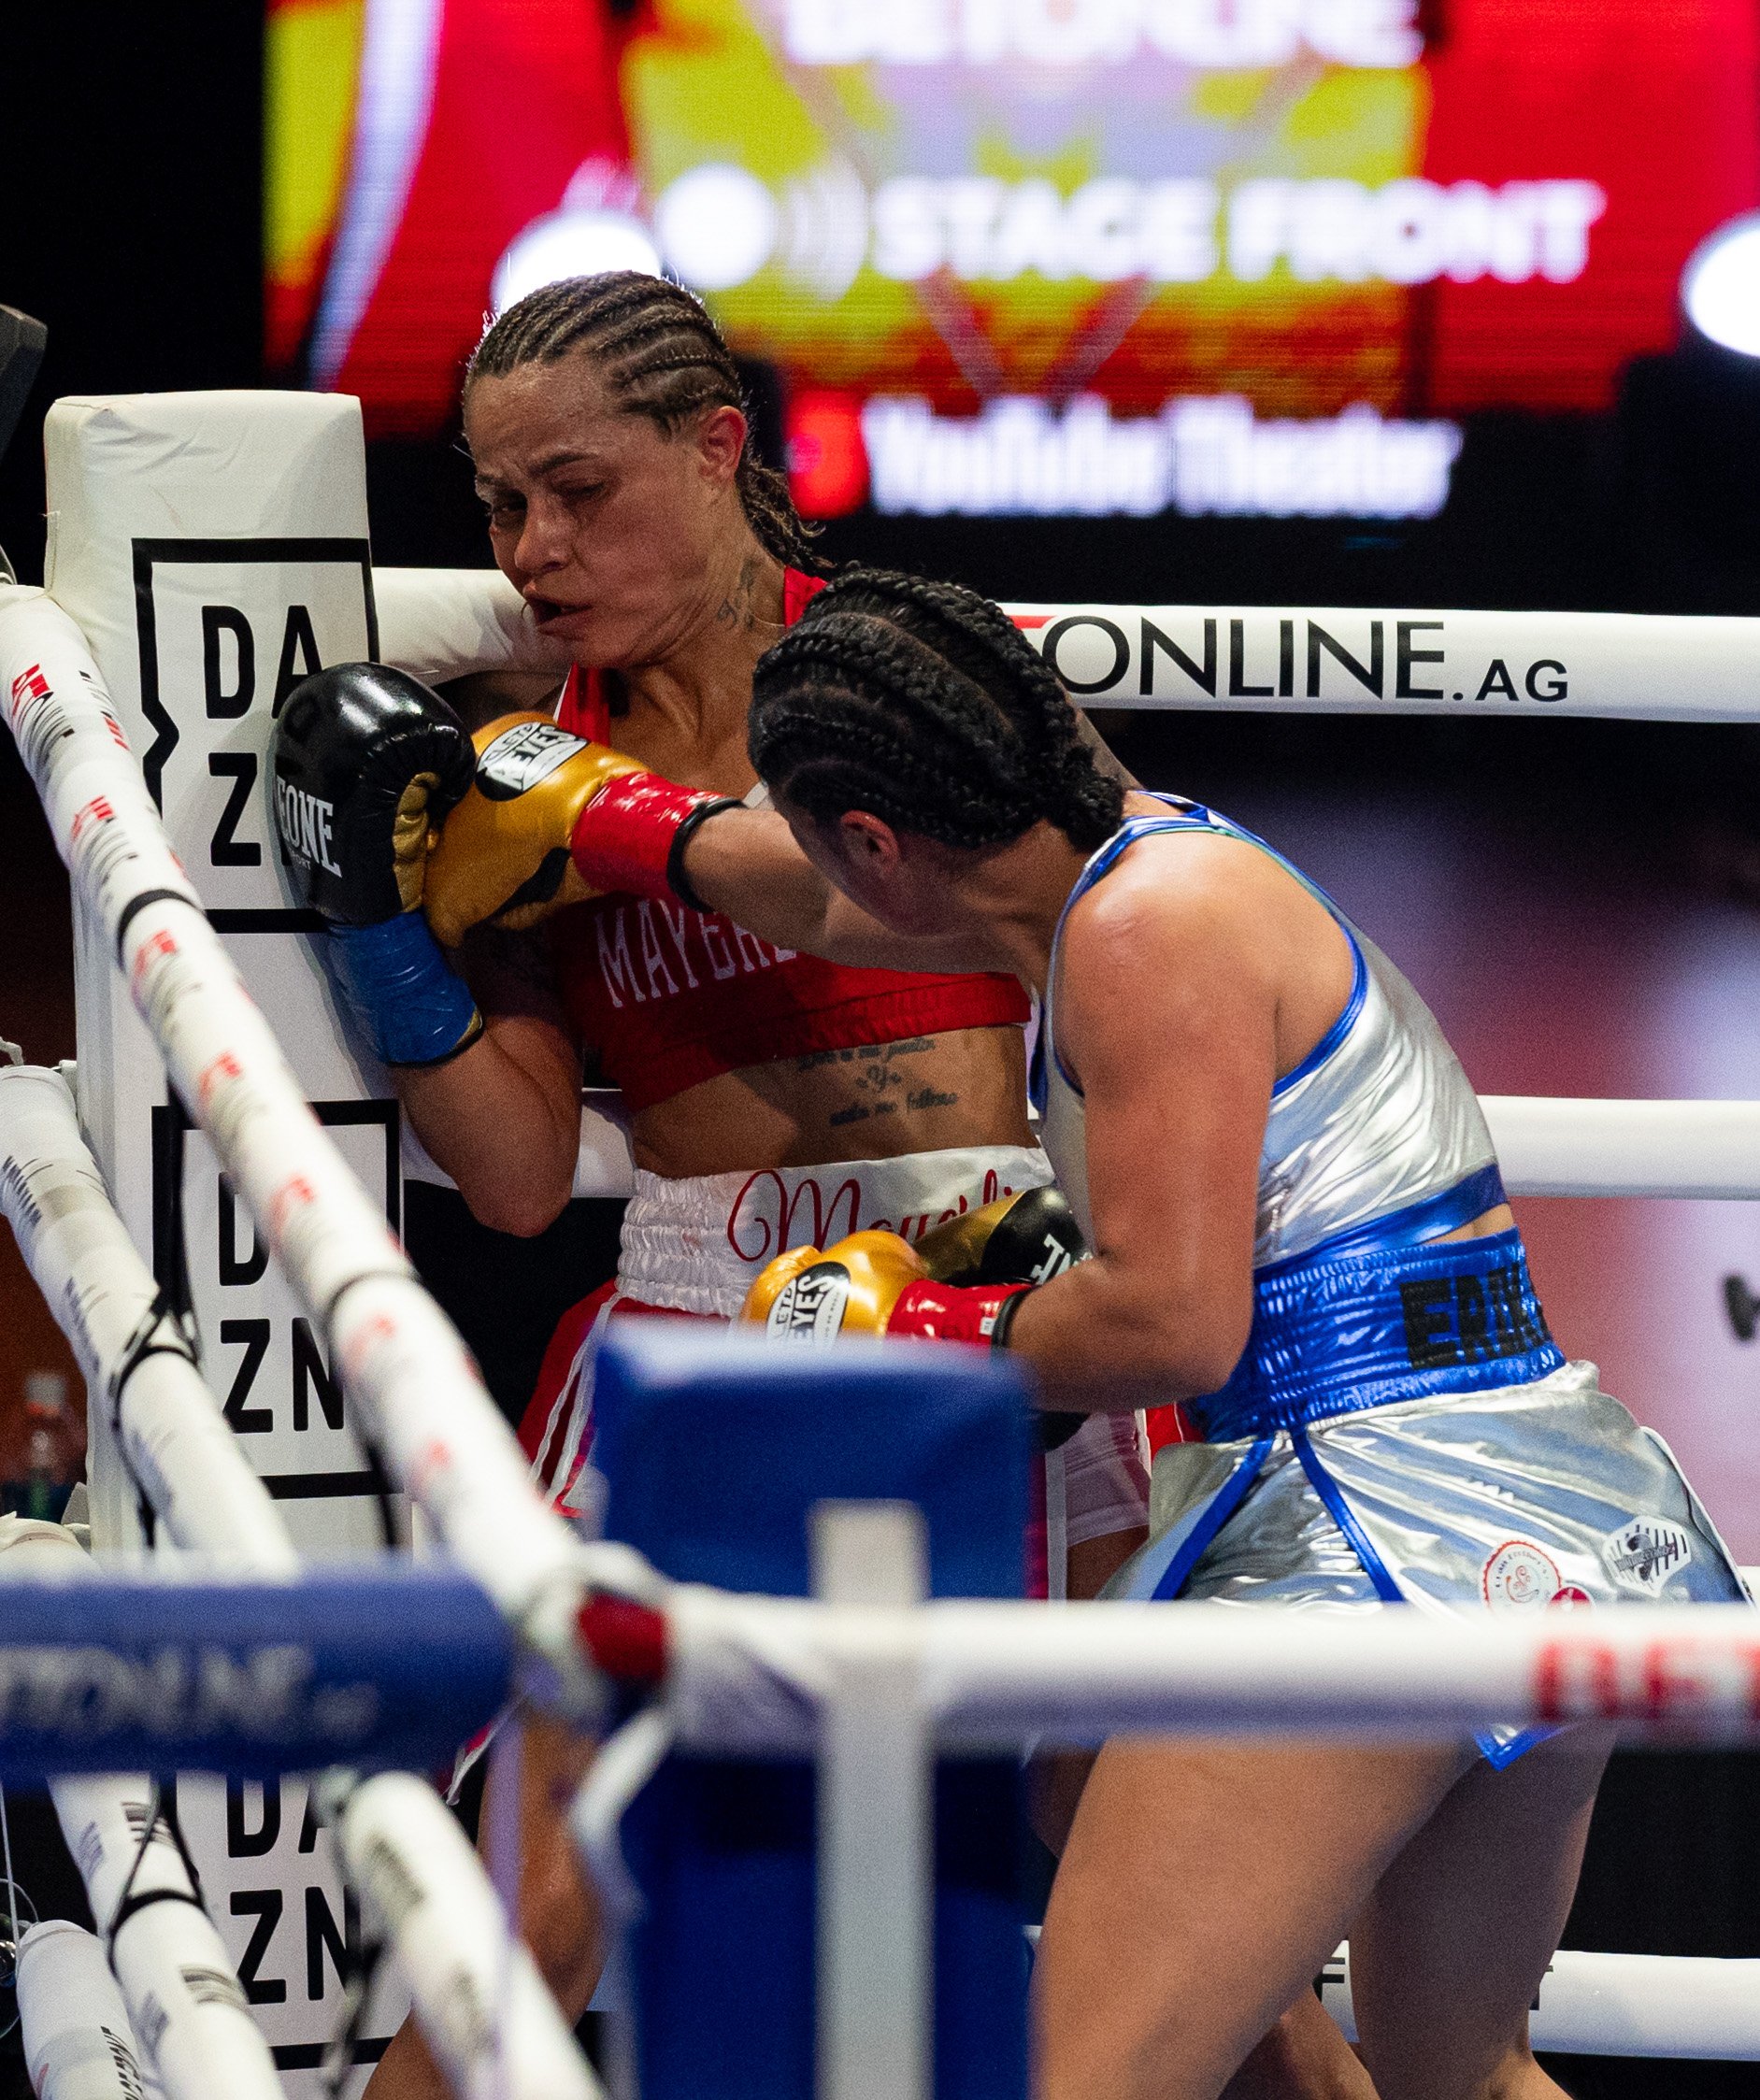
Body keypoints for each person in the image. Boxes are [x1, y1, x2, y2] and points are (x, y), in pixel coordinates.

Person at [460, 563, 1751, 2100]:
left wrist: (913, 1320)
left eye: (841, 861)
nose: (827, 912)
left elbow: (1171, 1325)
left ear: (881, 842)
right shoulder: (1126, 866)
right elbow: (805, 890)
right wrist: (603, 808)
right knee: (1454, 2069)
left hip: (1367, 1536)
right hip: (1525, 1495)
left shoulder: (1141, 938)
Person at [271, 277, 1158, 2100]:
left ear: (718, 447)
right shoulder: (518, 751)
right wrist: (382, 922)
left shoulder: (909, 675)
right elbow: (518, 1176)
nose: (532, 547)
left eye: (579, 489)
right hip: (688, 1317)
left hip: (986, 1294)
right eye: (499, 501)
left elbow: (1151, 921)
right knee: (528, 1900)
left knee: (1152, 1868)